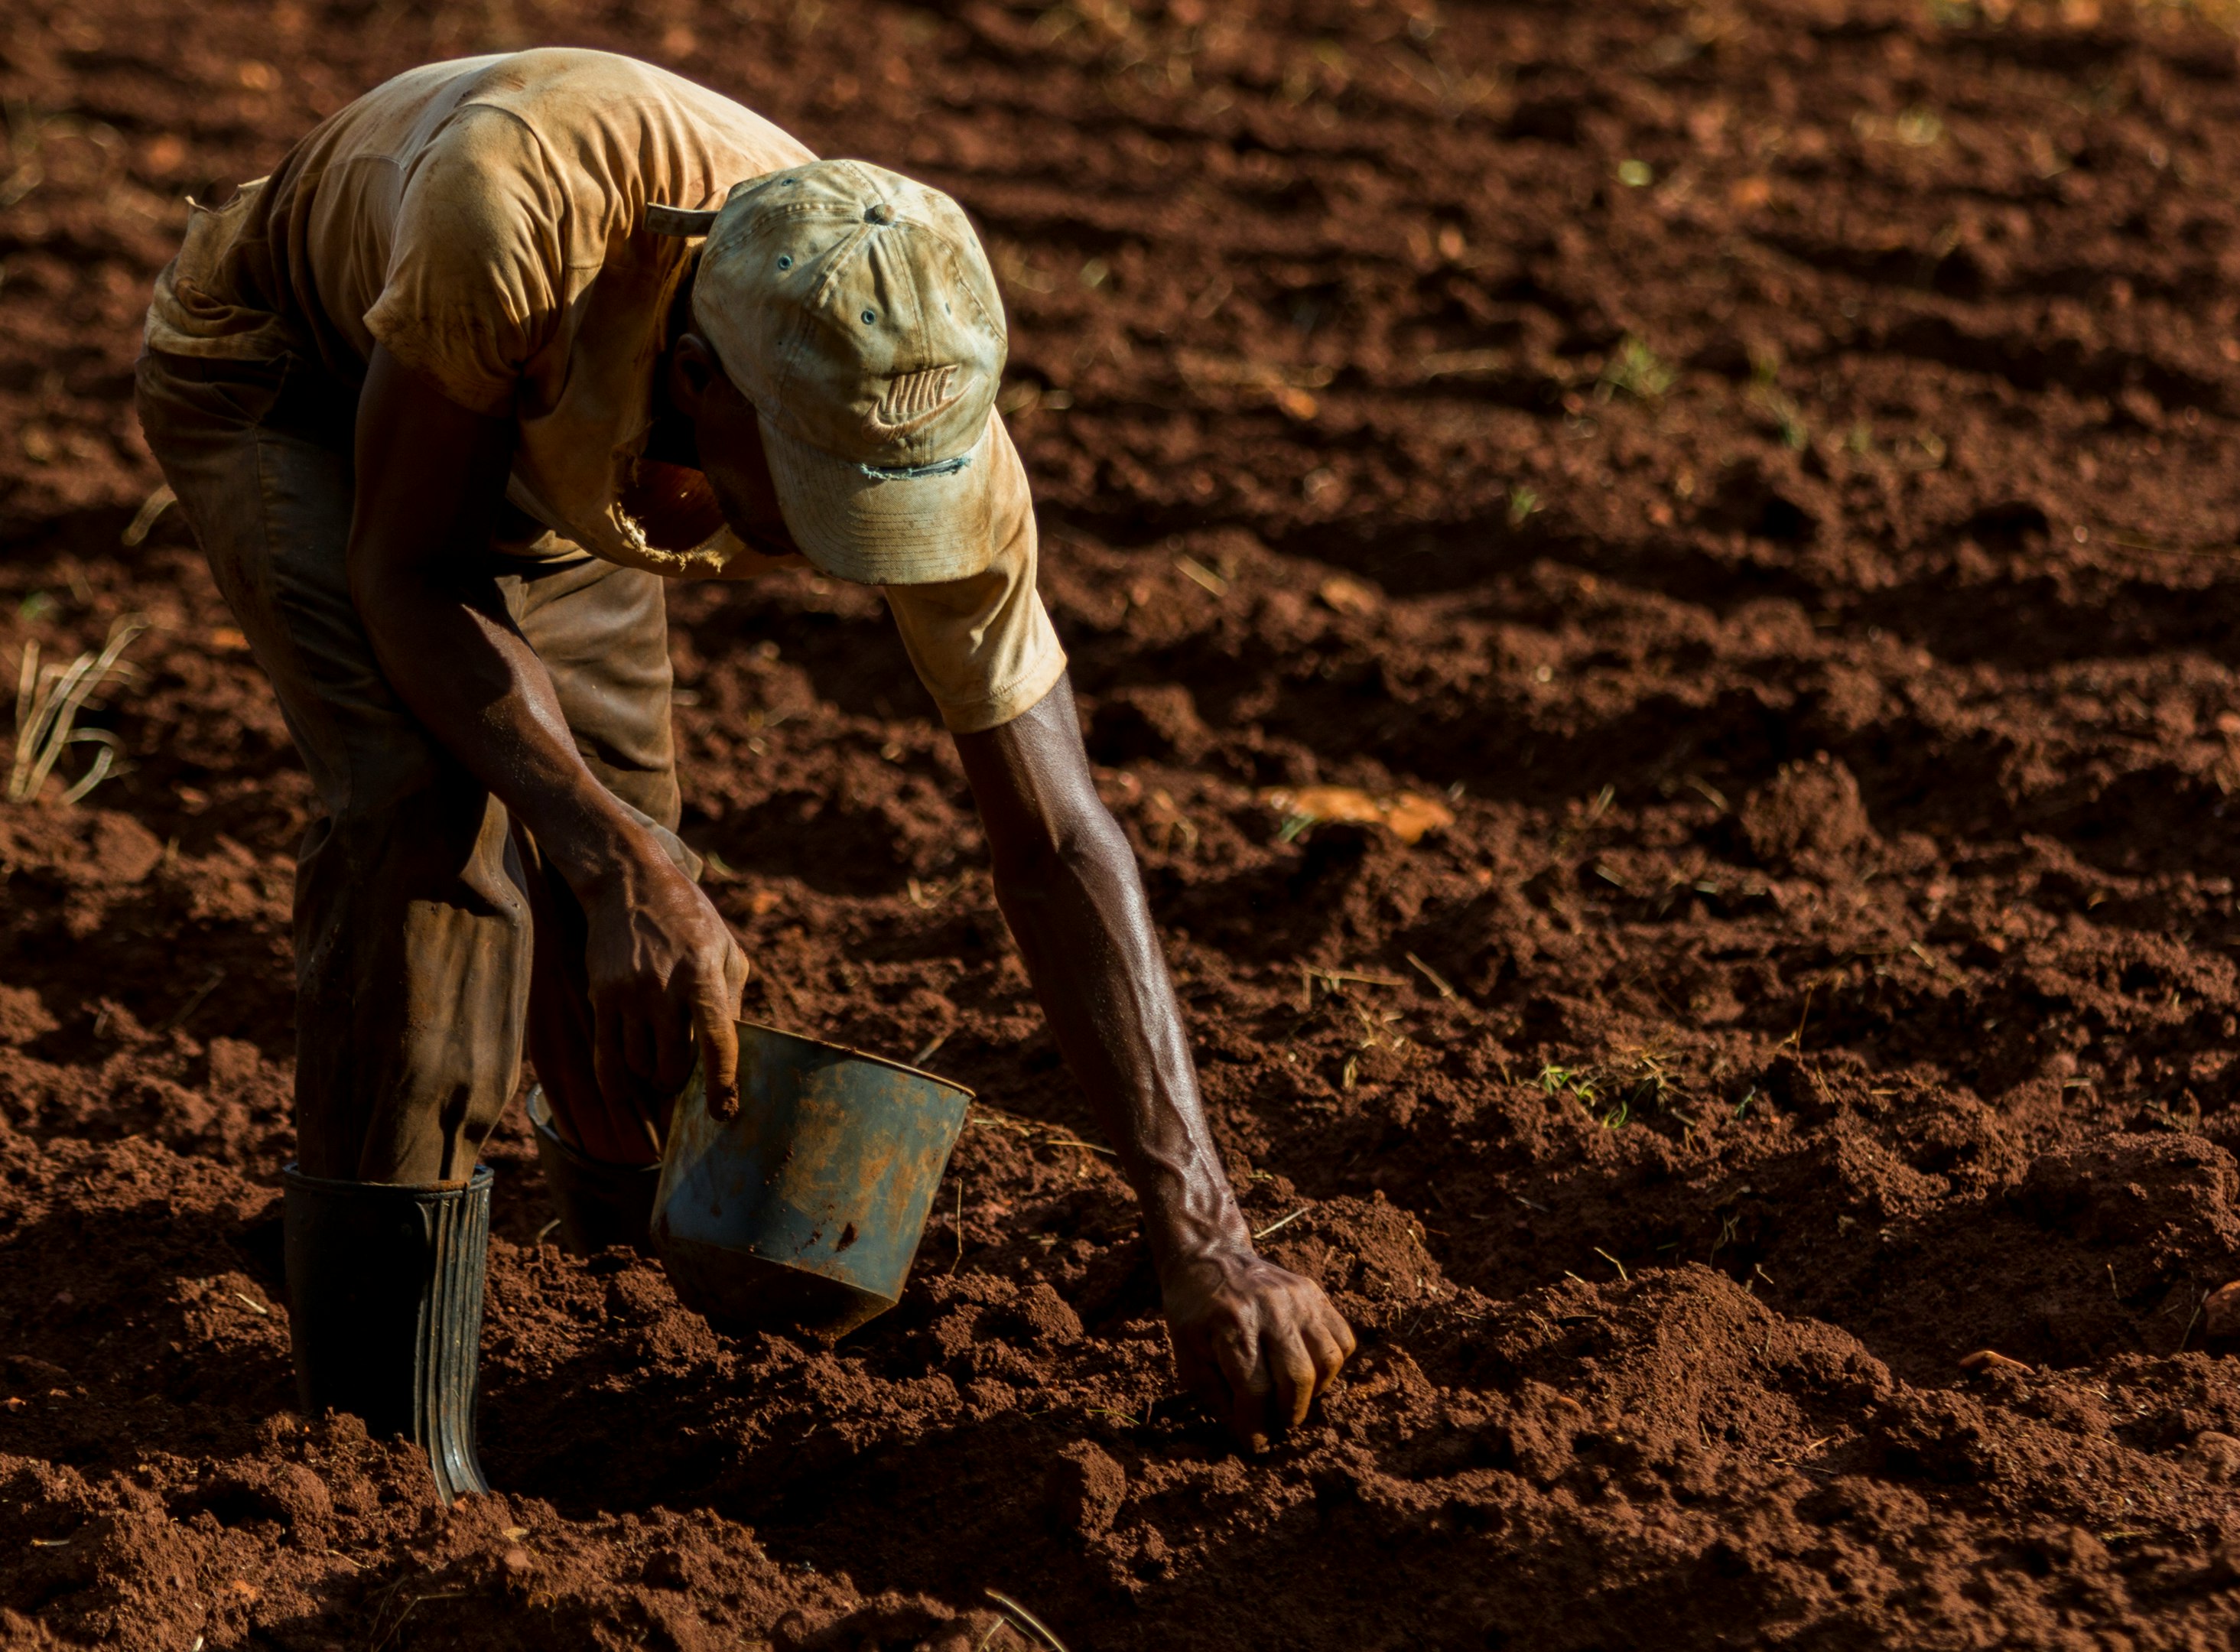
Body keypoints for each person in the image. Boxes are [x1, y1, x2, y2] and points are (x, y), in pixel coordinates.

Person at [135, 47, 1354, 1500]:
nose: (854, 551)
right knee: (433, 820)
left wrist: (1201, 1231)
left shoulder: (911, 380)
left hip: (555, 454)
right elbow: (406, 571)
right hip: (299, 375)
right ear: (701, 383)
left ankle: (605, 1305)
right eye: (821, 493)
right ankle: (386, 1448)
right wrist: (602, 852)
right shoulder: (512, 213)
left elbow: (1058, 837)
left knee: (626, 895)